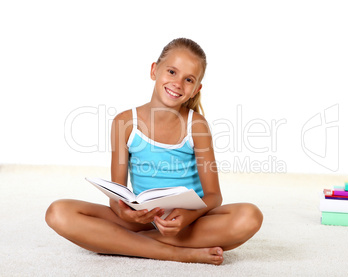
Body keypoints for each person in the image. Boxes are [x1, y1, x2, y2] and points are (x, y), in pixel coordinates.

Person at [46, 38, 263, 265]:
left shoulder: (197, 126)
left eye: (188, 79)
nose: (177, 83)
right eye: (171, 72)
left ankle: (121, 242)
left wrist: (186, 216)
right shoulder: (125, 122)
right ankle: (175, 253)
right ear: (154, 70)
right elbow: (116, 196)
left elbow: (214, 196)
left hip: (187, 223)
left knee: (250, 216)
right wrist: (125, 213)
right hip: (141, 219)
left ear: (196, 89)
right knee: (58, 212)